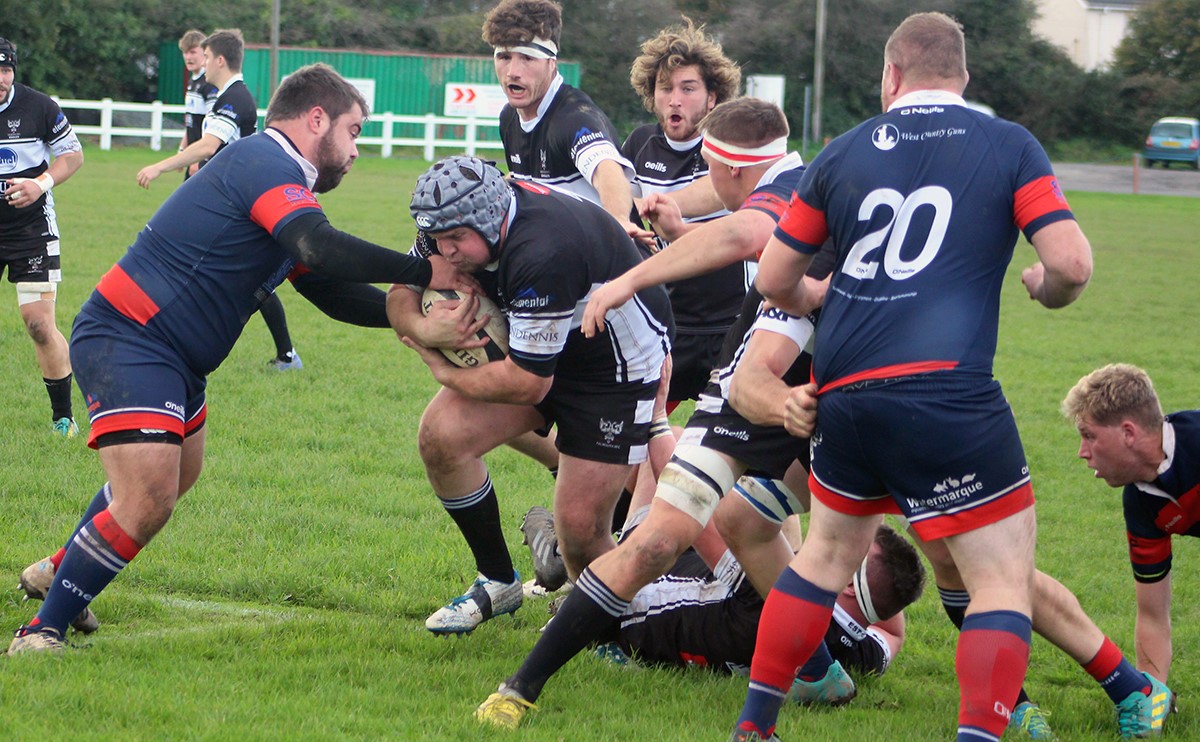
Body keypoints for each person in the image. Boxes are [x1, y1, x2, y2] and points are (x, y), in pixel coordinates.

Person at [730, 13, 1166, 742]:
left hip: (843, 394)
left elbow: (775, 277)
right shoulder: (1007, 144)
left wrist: (815, 297)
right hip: (945, 392)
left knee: (823, 558)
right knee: (998, 579)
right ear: (963, 78)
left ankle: (754, 726)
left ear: (890, 76)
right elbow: (1072, 266)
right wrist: (1042, 287)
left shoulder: (840, 152)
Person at [8, 62, 470, 655]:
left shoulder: (279, 178)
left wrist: (414, 322)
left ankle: (56, 570)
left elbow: (324, 286)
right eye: (354, 132)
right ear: (316, 118)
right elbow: (318, 246)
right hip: (134, 336)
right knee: (146, 499)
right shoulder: (265, 160)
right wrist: (425, 272)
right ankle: (42, 630)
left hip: (172, 352)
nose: (356, 151)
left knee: (170, 482)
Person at [474, 97, 826, 730]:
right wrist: (681, 233)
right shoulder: (805, 181)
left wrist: (625, 280)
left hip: (779, 378)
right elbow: (758, 244)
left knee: (676, 537)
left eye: (705, 175)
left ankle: (523, 686)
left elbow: (748, 233)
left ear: (725, 166)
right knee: (738, 523)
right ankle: (821, 670)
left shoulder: (789, 190)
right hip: (811, 379)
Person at [388, 155, 672, 636]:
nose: (444, 250)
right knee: (441, 437)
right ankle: (498, 581)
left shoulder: (542, 249)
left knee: (580, 534)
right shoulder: (450, 222)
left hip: (614, 367)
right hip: (543, 348)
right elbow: (401, 289)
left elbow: (527, 383)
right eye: (437, 239)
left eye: (456, 240)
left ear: (488, 221)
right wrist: (424, 326)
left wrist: (444, 370)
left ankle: (620, 628)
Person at [138, 29, 302, 371]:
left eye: (208, 57)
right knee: (232, 277)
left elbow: (208, 146)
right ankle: (181, 341)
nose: (204, 64)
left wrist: (159, 166)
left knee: (239, 279)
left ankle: (281, 354)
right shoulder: (229, 95)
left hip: (232, 207)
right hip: (226, 203)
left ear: (220, 60)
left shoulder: (233, 98)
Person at [621, 18, 744, 406]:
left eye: (688, 88)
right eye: (665, 88)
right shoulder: (641, 144)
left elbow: (718, 191)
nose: (675, 99)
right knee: (634, 437)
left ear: (712, 97)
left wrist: (666, 205)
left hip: (732, 325)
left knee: (737, 445)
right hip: (665, 323)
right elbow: (618, 202)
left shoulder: (730, 142)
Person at [1063, 362, 1193, 692]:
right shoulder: (1140, 502)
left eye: (1089, 436)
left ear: (1128, 433)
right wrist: (1152, 694)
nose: (1082, 453)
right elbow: (1152, 616)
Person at [482, 0, 649, 242]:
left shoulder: (574, 117)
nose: (512, 71)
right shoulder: (509, 117)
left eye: (527, 58)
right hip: (560, 254)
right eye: (504, 56)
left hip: (609, 266)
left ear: (552, 63)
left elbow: (606, 169)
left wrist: (620, 220)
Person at [0, 37, 85, 437]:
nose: (1, 78)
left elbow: (73, 155)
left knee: (37, 323)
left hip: (31, 230)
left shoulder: (38, 106)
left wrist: (41, 183)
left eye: (6, 69)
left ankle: (63, 418)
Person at [177, 29, 218, 181]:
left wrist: (199, 160)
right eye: (185, 53)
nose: (188, 57)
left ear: (205, 52)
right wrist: (182, 151)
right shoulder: (193, 82)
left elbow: (212, 126)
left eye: (193, 52)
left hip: (204, 160)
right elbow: (191, 123)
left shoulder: (209, 84)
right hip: (194, 156)